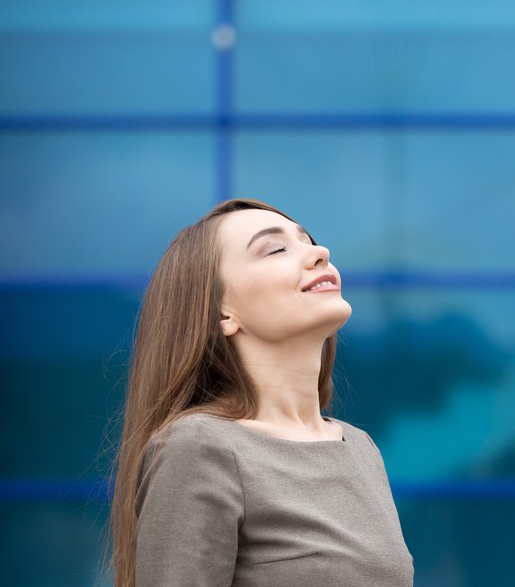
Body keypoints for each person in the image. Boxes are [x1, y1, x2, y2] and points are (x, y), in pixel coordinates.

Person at [103, 198, 414, 587]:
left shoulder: (360, 448)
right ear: (221, 313)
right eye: (276, 249)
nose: (320, 253)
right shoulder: (201, 447)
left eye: (308, 241)